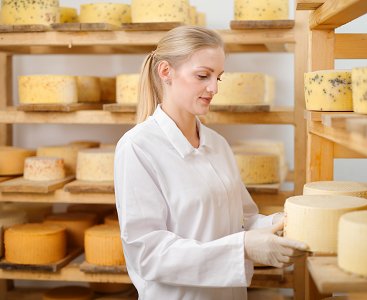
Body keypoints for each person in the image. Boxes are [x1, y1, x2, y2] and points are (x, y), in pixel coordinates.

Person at [114, 25, 308, 300]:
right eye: (203, 76)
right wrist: (242, 249)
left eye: (219, 77)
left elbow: (242, 219)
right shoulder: (137, 147)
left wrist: (281, 224)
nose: (214, 88)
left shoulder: (217, 143)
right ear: (166, 72)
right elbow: (149, 253)